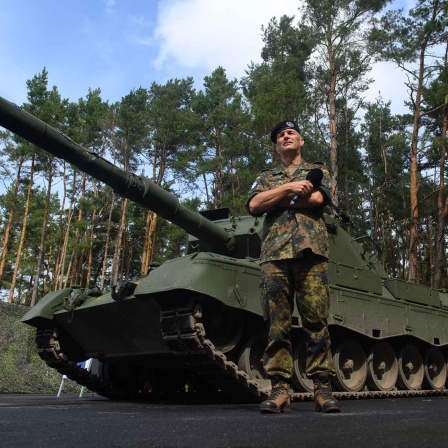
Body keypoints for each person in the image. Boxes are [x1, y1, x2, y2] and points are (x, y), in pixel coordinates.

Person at [246, 119, 340, 414]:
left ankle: (322, 388)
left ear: (300, 141)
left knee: (316, 322)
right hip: (274, 255)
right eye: (280, 136)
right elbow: (254, 204)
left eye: (291, 133)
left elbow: (318, 198)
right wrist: (288, 188)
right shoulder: (266, 176)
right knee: (277, 325)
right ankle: (279, 389)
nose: (286, 137)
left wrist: (277, 199)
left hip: (311, 253)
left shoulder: (318, 170)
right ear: (276, 147)